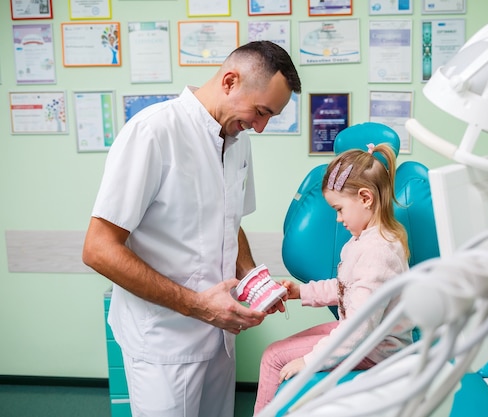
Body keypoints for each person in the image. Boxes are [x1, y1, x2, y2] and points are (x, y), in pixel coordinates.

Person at [82, 41, 301, 417]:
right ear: (230, 81)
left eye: (271, 117)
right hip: (165, 343)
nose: (261, 127)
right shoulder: (154, 132)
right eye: (261, 112)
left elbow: (230, 223)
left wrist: (253, 280)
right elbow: (98, 249)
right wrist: (199, 307)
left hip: (220, 338)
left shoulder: (237, 142)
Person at [253, 143, 414, 414]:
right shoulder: (364, 241)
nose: (338, 219)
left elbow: (359, 328)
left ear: (366, 198)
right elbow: (346, 288)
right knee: (276, 351)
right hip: (366, 338)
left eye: (339, 209)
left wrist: (311, 360)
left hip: (375, 350)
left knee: (274, 359)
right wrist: (299, 293)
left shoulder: (377, 252)